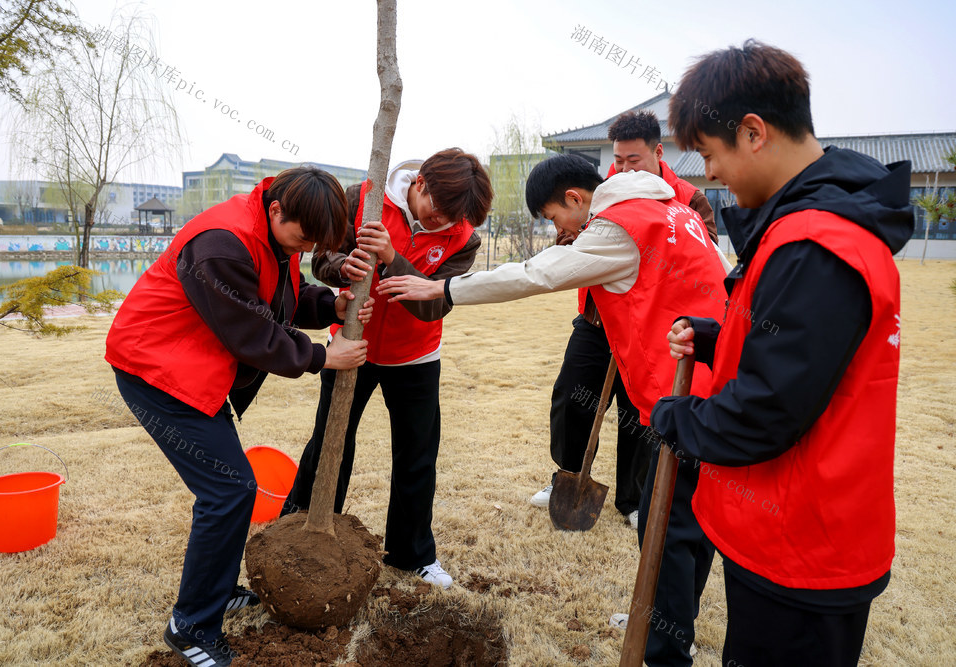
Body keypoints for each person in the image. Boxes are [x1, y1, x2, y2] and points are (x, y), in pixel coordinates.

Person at [378, 154, 729, 664]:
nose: (558, 229)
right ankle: (664, 616)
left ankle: (665, 645)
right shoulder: (675, 211)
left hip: (688, 392)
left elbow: (536, 275)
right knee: (681, 522)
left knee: (667, 526)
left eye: (553, 217)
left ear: (574, 198)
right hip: (716, 381)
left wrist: (444, 287)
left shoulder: (617, 227)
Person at [651, 40, 913, 666]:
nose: (708, 174)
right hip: (797, 531)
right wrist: (719, 340)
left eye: (711, 154)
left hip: (802, 545)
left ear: (753, 132)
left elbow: (766, 410)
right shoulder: (805, 224)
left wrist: (673, 419)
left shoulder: (815, 243)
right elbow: (806, 351)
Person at [104, 167, 371, 667]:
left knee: (230, 489)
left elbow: (278, 301)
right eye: (302, 237)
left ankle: (217, 590)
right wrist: (322, 357)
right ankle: (190, 626)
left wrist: (332, 303)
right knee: (228, 489)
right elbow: (252, 332)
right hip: (154, 369)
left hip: (188, 367)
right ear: (276, 209)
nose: (304, 248)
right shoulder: (221, 245)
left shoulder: (273, 238)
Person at [285, 148, 493, 590]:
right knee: (329, 441)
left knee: (417, 456)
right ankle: (301, 526)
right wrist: (346, 265)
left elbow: (434, 305)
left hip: (415, 354)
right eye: (438, 213)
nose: (445, 225)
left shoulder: (465, 237)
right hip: (351, 345)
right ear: (420, 184)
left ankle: (412, 553)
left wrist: (393, 257)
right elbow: (322, 259)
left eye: (454, 221)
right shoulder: (365, 197)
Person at [533, 110, 719, 538]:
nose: (622, 170)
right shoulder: (607, 196)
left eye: (632, 160)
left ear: (657, 152)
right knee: (571, 395)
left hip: (653, 327)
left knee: (638, 414)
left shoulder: (687, 199)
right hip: (597, 319)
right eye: (617, 161)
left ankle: (632, 498)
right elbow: (573, 245)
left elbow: (699, 260)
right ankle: (569, 471)